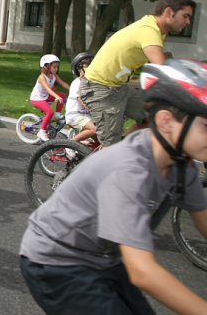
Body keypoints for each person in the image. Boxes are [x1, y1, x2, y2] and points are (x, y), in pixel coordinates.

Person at [19, 58, 207, 315]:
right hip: (56, 261)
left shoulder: (181, 165)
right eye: (206, 126)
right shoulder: (130, 169)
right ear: (166, 121)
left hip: (102, 258)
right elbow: (143, 272)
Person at [80, 0, 194, 147]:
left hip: (119, 87)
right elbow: (162, 69)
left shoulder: (158, 31)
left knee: (155, 117)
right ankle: (108, 160)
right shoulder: (149, 30)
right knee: (110, 147)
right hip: (99, 89)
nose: (188, 22)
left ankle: (126, 149)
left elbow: (157, 61)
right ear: (169, 12)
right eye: (185, 16)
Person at [29, 54, 69, 142]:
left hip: (45, 96)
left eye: (57, 67)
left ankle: (57, 115)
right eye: (54, 67)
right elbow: (48, 89)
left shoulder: (53, 75)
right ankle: (41, 132)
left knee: (62, 95)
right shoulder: (42, 77)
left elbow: (63, 83)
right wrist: (56, 96)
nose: (56, 69)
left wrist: (74, 90)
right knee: (49, 112)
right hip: (37, 99)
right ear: (46, 66)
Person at [66, 52, 97, 146]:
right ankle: (69, 144)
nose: (91, 68)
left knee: (103, 138)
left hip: (86, 117)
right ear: (79, 68)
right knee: (94, 129)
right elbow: (81, 101)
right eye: (87, 66)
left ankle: (84, 152)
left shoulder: (90, 83)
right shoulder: (77, 83)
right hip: (75, 116)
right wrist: (94, 109)